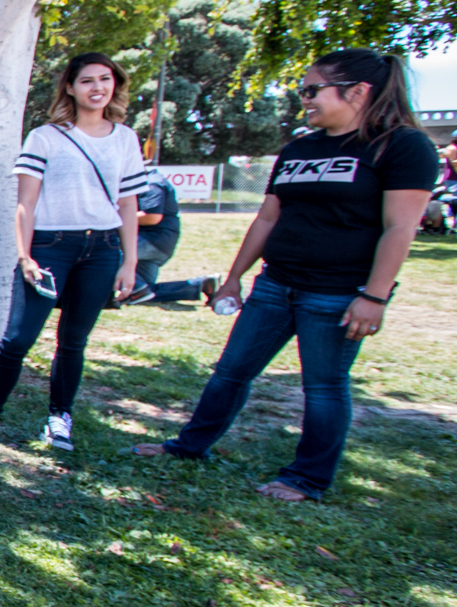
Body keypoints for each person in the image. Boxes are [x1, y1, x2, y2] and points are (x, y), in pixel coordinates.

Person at [133, 49, 438, 500]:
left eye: (313, 91)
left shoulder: (403, 146)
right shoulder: (299, 148)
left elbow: (400, 227)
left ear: (357, 92)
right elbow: (268, 218)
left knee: (324, 386)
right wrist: (236, 277)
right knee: (231, 371)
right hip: (276, 284)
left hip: (338, 293)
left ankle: (307, 478)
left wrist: (374, 296)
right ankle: (189, 446)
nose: (305, 101)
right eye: (302, 92)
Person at [0, 52, 145, 452]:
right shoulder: (46, 137)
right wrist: (26, 256)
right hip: (52, 247)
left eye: (105, 79)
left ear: (115, 85)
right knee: (18, 338)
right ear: (70, 87)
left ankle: (59, 419)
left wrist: (130, 261)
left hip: (102, 248)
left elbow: (127, 203)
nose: (97, 88)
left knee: (73, 341)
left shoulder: (125, 138)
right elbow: (26, 204)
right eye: (87, 80)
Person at [121, 166, 218, 305]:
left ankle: (137, 290)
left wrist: (115, 218)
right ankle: (202, 285)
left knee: (106, 253)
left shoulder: (152, 183)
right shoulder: (151, 180)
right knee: (148, 293)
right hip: (160, 244)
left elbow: (152, 217)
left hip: (151, 241)